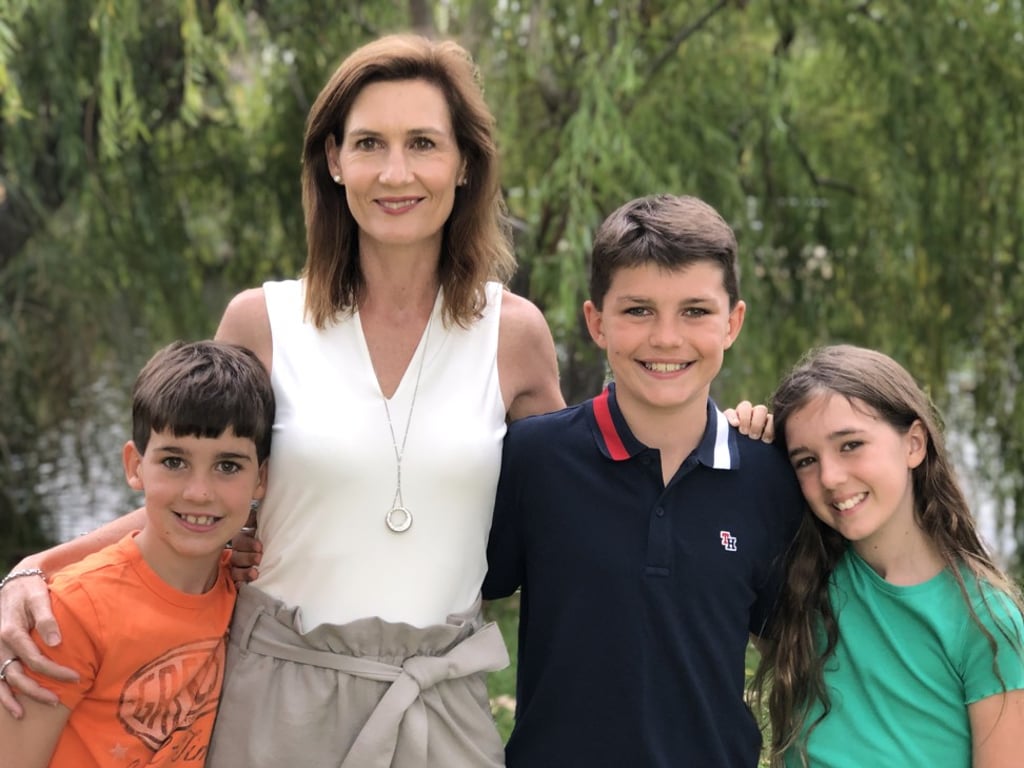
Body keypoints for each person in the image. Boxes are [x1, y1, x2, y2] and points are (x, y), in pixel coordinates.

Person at [0, 33, 564, 767]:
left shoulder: (512, 334)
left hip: (437, 704)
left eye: (423, 142)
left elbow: (579, 500)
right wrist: (32, 570)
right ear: (334, 161)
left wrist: (739, 434)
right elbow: (189, 492)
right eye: (369, 143)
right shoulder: (260, 322)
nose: (397, 172)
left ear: (464, 164)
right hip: (275, 700)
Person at [482, 193, 805, 767]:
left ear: (732, 323)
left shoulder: (770, 478)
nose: (666, 338)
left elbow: (797, 641)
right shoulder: (535, 459)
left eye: (695, 311)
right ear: (596, 322)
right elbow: (452, 591)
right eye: (638, 311)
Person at [0, 340, 273, 767]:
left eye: (228, 466)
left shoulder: (240, 586)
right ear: (134, 466)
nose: (199, 492)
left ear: (262, 480)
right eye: (174, 462)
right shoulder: (69, 614)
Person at [750, 344, 1024, 768]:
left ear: (913, 444)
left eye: (851, 445)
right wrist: (739, 447)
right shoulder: (801, 586)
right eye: (806, 460)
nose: (830, 477)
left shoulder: (986, 622)